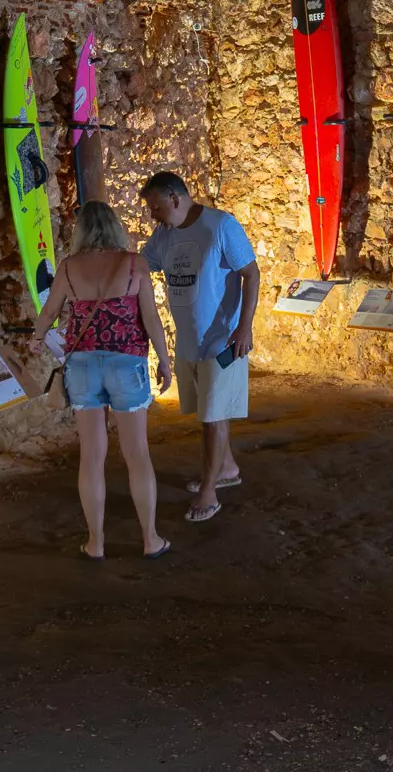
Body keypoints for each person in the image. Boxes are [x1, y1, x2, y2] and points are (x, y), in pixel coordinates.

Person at [32, 200, 175, 561]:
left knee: (91, 456)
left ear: (82, 229)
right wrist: (164, 361)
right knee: (137, 454)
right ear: (114, 226)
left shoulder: (68, 268)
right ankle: (150, 539)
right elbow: (151, 319)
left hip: (81, 365)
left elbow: (48, 314)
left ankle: (95, 542)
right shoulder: (134, 264)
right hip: (126, 363)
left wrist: (36, 340)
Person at [139, 171, 260, 522]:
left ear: (176, 198)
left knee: (213, 416)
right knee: (209, 412)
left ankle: (209, 492)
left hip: (222, 340)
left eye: (156, 207)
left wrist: (244, 326)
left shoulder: (221, 226)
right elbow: (140, 267)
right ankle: (226, 468)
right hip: (190, 342)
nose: (153, 215)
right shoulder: (164, 236)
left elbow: (251, 274)